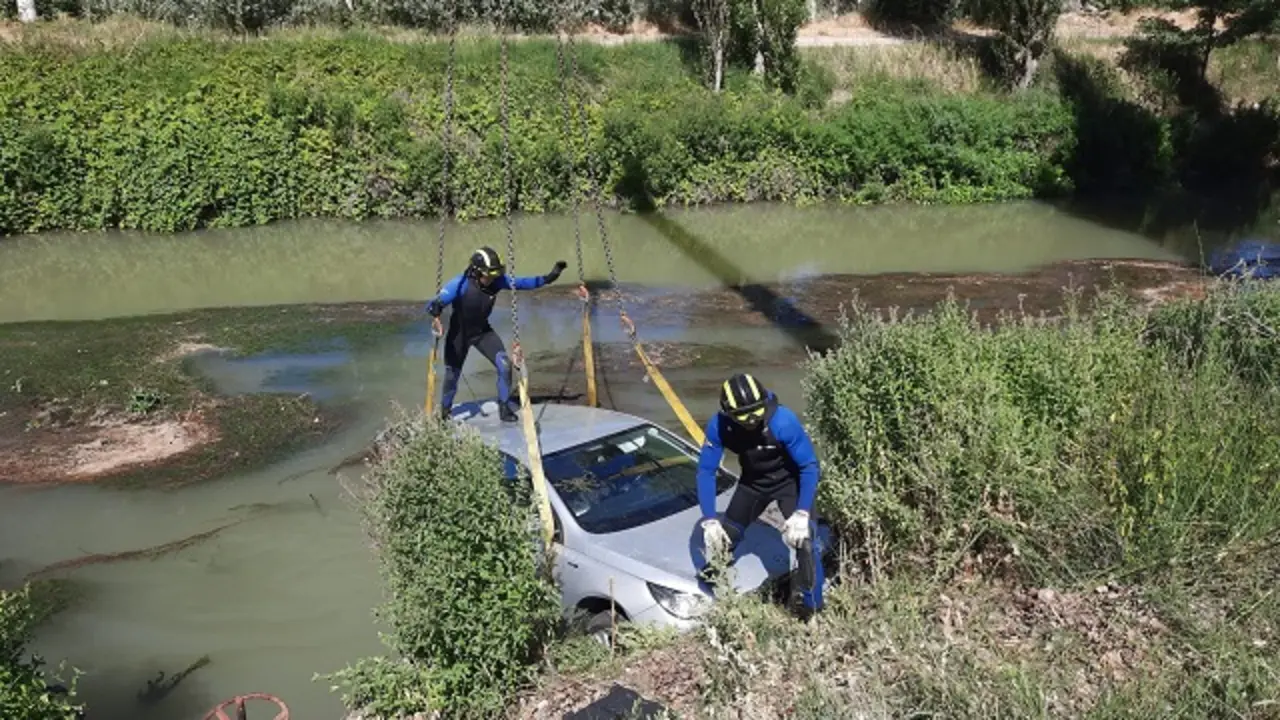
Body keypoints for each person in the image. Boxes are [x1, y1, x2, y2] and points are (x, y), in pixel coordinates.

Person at [695, 372, 824, 617]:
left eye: (757, 411)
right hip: (753, 484)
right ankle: (710, 596)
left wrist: (802, 512)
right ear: (728, 414)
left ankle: (813, 610)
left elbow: (809, 466)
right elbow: (706, 472)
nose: (752, 420)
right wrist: (709, 519)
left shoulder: (783, 421)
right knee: (726, 536)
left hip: (790, 484)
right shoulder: (719, 426)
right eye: (743, 415)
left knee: (806, 545)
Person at [427, 246, 567, 422]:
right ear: (477, 272)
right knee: (451, 376)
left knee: (505, 365)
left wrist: (550, 277)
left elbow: (524, 283)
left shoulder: (498, 282)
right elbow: (433, 304)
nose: (493, 279)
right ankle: (445, 413)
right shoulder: (459, 284)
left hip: (482, 333)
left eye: (495, 275)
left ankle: (504, 407)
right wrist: (436, 311)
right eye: (489, 275)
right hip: (458, 337)